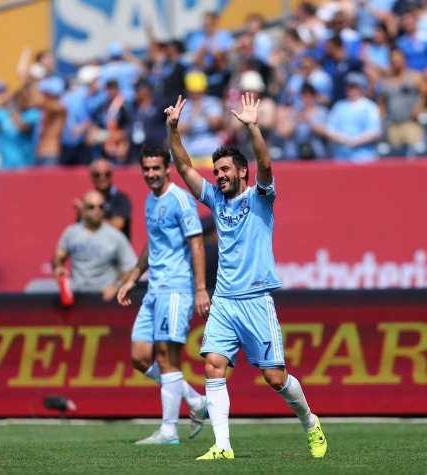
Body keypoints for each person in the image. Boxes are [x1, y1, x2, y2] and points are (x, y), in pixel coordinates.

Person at [165, 94, 328, 460]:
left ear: (242, 171)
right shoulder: (217, 200)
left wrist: (252, 126)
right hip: (224, 300)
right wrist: (173, 130)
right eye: (216, 171)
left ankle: (309, 422)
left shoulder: (260, 197)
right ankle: (222, 446)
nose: (218, 175)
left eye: (225, 170)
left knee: (275, 378)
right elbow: (185, 168)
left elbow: (266, 163)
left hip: (256, 299)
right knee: (213, 365)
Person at [116, 145, 210, 445]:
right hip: (154, 289)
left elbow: (197, 244)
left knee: (167, 359)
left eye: (156, 168)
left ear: (167, 168)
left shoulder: (181, 200)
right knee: (140, 357)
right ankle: (195, 401)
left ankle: (169, 431)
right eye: (146, 168)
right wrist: (133, 277)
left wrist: (199, 289)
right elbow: (151, 243)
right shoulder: (149, 200)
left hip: (176, 288)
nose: (151, 174)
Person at [53, 190, 137, 302]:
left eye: (101, 207)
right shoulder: (71, 232)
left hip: (102, 299)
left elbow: (131, 266)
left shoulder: (115, 235)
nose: (97, 210)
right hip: (75, 298)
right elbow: (58, 256)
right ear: (83, 209)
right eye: (91, 207)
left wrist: (116, 286)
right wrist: (59, 266)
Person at [74, 158, 132, 239]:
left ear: (112, 175)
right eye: (97, 175)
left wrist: (87, 214)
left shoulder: (122, 199)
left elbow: (116, 227)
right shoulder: (87, 200)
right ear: (91, 177)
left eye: (107, 174)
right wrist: (80, 215)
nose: (102, 178)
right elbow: (79, 231)